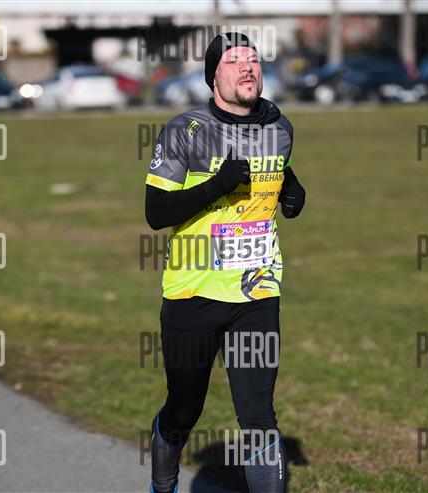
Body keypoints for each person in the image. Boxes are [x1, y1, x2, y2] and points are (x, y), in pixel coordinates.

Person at [145, 32, 306, 493]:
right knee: (184, 410)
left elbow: (276, 176)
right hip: (192, 293)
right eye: (233, 61)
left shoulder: (279, 128)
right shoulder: (184, 131)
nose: (247, 67)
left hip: (256, 291)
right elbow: (156, 212)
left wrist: (292, 190)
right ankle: (162, 482)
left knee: (258, 415)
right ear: (213, 76)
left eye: (253, 59)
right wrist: (218, 183)